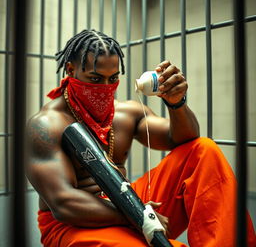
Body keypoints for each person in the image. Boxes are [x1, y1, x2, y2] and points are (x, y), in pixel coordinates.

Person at [26, 29, 256, 247]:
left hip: (130, 202)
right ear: (70, 69)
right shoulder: (47, 125)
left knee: (203, 149)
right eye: (95, 79)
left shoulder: (126, 114)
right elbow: (63, 204)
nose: (105, 88)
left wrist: (176, 103)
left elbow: (183, 138)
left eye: (113, 78)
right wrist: (138, 215)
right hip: (75, 224)